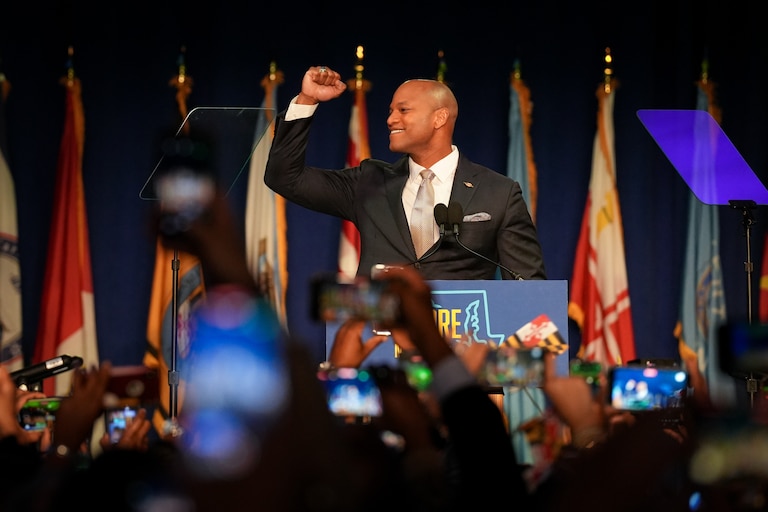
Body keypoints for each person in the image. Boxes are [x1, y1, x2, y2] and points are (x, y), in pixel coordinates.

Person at [264, 65, 547, 280]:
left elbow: (528, 287)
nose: (390, 119)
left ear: (439, 118)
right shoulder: (369, 182)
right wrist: (306, 99)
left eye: (403, 110)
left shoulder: (498, 192)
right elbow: (285, 178)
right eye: (390, 110)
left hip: (462, 349)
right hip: (381, 346)